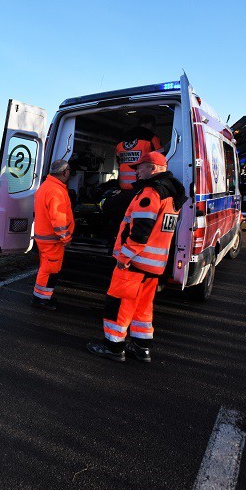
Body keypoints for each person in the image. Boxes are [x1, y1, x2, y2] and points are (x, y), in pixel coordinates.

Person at [88, 151, 186, 362]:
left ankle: (113, 346)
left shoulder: (151, 192)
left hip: (134, 262)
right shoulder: (171, 194)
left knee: (118, 304)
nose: (136, 172)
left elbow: (141, 231)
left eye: (140, 167)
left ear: (154, 168)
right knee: (143, 307)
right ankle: (142, 347)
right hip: (154, 264)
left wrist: (124, 257)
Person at [31, 159, 74, 310]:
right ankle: (41, 300)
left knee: (46, 268)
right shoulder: (56, 190)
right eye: (69, 171)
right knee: (50, 270)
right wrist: (66, 237)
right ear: (64, 172)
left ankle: (41, 297)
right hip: (52, 240)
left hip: (44, 237)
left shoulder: (45, 187)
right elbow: (58, 219)